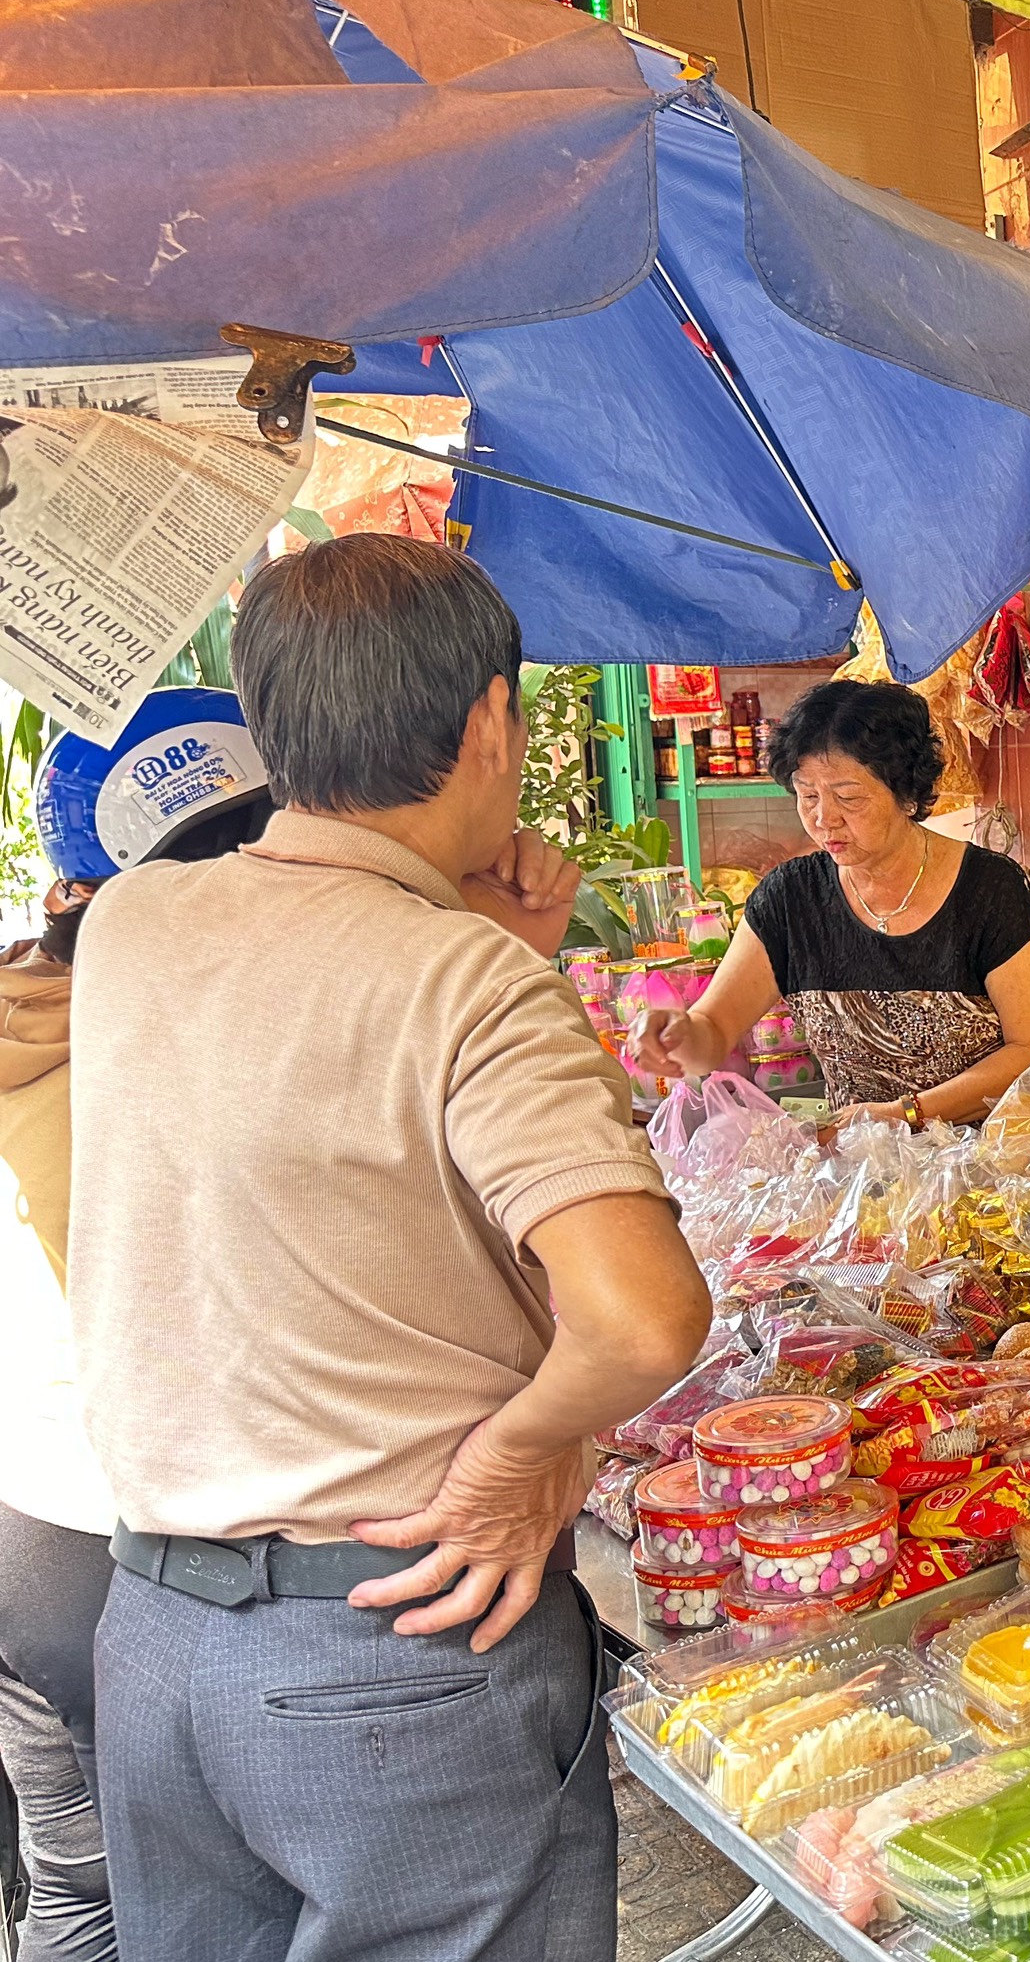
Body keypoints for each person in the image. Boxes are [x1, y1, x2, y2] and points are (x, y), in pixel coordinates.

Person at [68, 534, 711, 1962]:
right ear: (492, 723)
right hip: (399, 1648)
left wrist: (490, 934)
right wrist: (511, 1456)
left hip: (162, 1648)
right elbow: (644, 1315)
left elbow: (310, 1074)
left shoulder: (133, 921)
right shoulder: (460, 978)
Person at [0, 689, 277, 1962]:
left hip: (25, 1528)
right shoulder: (152, 1032)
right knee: (179, 1896)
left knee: (83, 1874)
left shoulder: (35, 1002)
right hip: (112, 1537)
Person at [633, 680, 1030, 1123]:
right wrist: (676, 1036)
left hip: (993, 1168)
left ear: (908, 795)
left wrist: (903, 1114)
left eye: (848, 797)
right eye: (808, 795)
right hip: (858, 1175)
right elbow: (714, 1031)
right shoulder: (790, 900)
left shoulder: (988, 889)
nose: (824, 818)